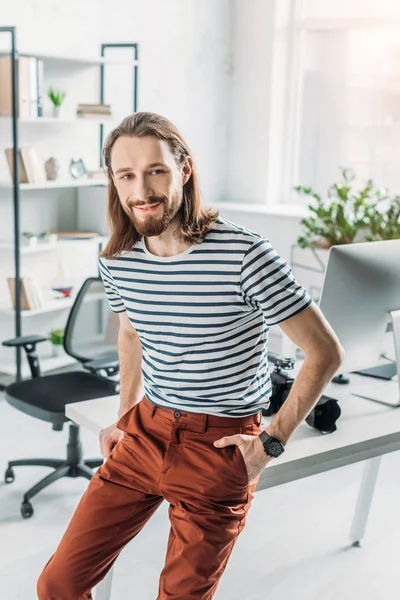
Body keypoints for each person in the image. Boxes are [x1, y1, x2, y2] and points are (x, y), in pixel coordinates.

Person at [37, 112, 344, 600]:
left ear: (183, 169)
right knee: (58, 584)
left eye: (156, 170)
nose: (142, 189)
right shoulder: (117, 258)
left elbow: (325, 351)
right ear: (114, 182)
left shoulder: (245, 255)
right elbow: (131, 337)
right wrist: (123, 417)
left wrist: (271, 443)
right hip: (144, 432)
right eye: (127, 175)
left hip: (218, 444)